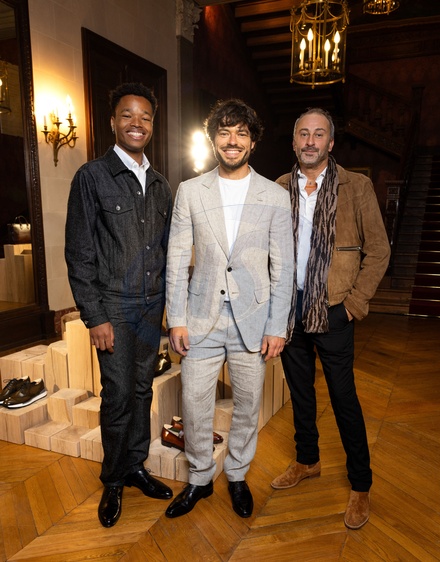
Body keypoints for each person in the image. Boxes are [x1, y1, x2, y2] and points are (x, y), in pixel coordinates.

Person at [164, 99, 294, 519]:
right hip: (201, 317)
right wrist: (176, 319)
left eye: (241, 132)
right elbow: (176, 259)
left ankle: (237, 474)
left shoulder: (275, 196)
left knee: (248, 404)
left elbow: (284, 267)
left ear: (252, 142)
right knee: (194, 403)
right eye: (224, 132)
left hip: (253, 320)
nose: (232, 140)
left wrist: (277, 325)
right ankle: (200, 477)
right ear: (213, 140)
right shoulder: (190, 191)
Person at [271, 108, 390, 530]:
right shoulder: (279, 187)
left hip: (335, 308)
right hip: (291, 309)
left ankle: (361, 484)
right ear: (294, 142)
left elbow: (379, 250)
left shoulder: (356, 187)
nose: (310, 141)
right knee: (300, 393)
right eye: (303, 133)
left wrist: (354, 304)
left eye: (318, 134)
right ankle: (308, 460)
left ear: (331, 142)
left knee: (343, 398)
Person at [65, 82, 173, 528]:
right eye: (127, 115)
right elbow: (79, 252)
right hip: (113, 306)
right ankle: (113, 479)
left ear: (152, 125)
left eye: (145, 117)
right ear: (113, 122)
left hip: (151, 307)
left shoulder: (162, 185)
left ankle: (135, 465)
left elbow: (168, 251)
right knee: (118, 393)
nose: (137, 123)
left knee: (143, 388)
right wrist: (95, 316)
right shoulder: (91, 177)